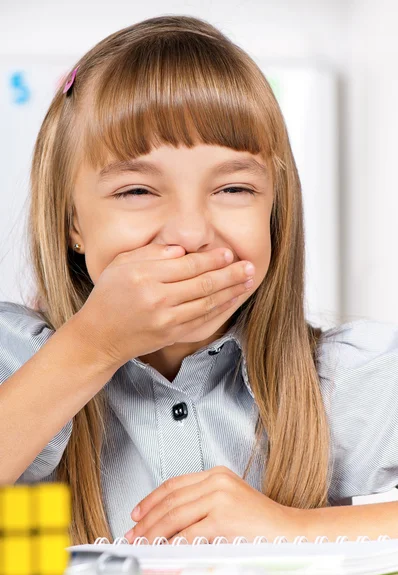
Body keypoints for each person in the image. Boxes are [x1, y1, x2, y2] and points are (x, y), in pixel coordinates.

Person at [1, 14, 398, 547]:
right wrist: (92, 345)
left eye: (234, 189)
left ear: (275, 213)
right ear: (73, 223)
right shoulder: (15, 362)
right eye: (137, 191)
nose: (190, 233)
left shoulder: (345, 379)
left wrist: (297, 528)